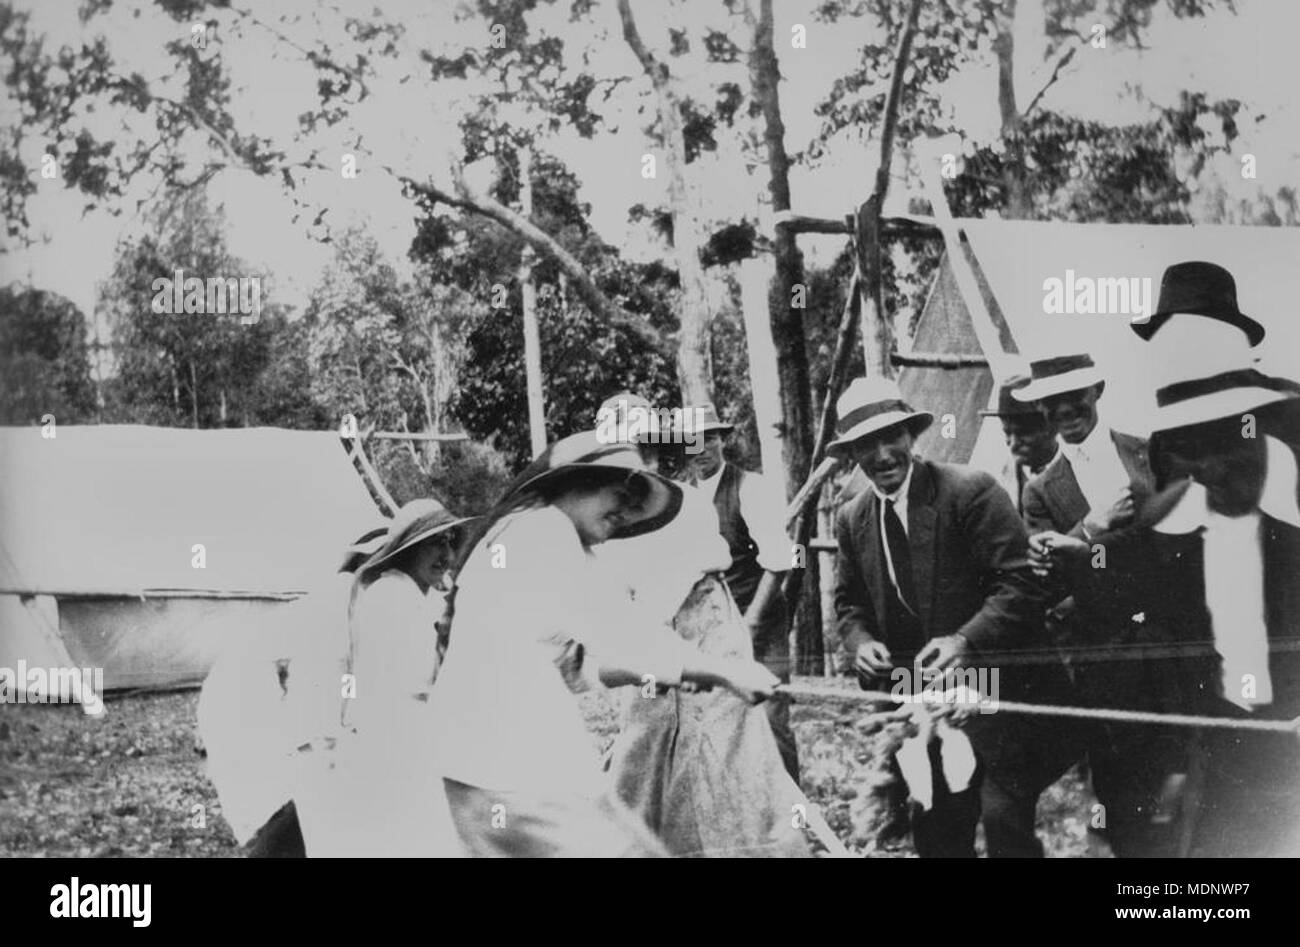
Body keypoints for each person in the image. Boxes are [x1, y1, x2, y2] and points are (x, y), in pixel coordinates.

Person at [428, 430, 780, 857]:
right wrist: (726, 671)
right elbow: (624, 633)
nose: (628, 510)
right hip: (506, 765)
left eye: (637, 501)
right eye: (621, 493)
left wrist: (670, 672)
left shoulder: (536, 537)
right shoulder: (541, 531)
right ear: (575, 485)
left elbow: (575, 667)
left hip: (481, 769)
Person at [593, 392, 818, 857]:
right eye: (618, 455)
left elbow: (679, 587)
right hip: (650, 659)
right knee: (643, 762)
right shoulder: (603, 525)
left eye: (645, 450)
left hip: (711, 637)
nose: (635, 466)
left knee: (731, 763)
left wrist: (696, 660)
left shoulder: (686, 509)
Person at [830, 377, 1046, 857]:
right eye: (867, 444)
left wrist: (965, 641)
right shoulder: (852, 517)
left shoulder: (968, 491)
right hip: (916, 695)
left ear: (912, 435)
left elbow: (1022, 585)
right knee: (937, 828)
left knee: (1003, 821)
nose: (884, 455)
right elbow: (849, 604)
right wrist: (861, 642)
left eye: (893, 438)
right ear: (852, 453)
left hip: (992, 686)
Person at [1012, 352, 1178, 857]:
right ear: (1041, 410)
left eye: (1074, 397)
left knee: (1186, 784)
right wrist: (1092, 525)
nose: (1065, 409)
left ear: (1097, 392)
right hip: (1106, 660)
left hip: (1172, 645)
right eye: (1051, 402)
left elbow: (1178, 540)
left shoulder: (1149, 453)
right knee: (1122, 799)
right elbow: (1046, 582)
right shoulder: (1039, 493)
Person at [290, 499, 475, 857]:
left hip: (404, 738)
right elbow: (415, 680)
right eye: (432, 543)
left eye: (449, 541)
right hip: (393, 740)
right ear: (405, 551)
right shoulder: (392, 595)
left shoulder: (411, 596)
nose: (445, 553)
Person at [198, 520, 391, 858]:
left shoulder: (363, 601)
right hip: (248, 697)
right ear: (368, 564)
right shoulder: (341, 600)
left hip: (266, 693)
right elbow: (324, 688)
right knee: (289, 803)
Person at [677, 402, 799, 780]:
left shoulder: (751, 488)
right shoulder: (679, 496)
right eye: (689, 442)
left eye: (707, 439)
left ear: (721, 441)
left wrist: (750, 623)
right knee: (717, 724)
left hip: (758, 622)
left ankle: (792, 817)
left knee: (771, 720)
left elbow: (779, 563)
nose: (699, 450)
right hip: (710, 628)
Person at [978, 374, 1060, 514]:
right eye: (1007, 433)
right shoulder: (993, 482)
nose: (1013, 444)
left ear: (1052, 427)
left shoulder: (1081, 471)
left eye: (1023, 433)